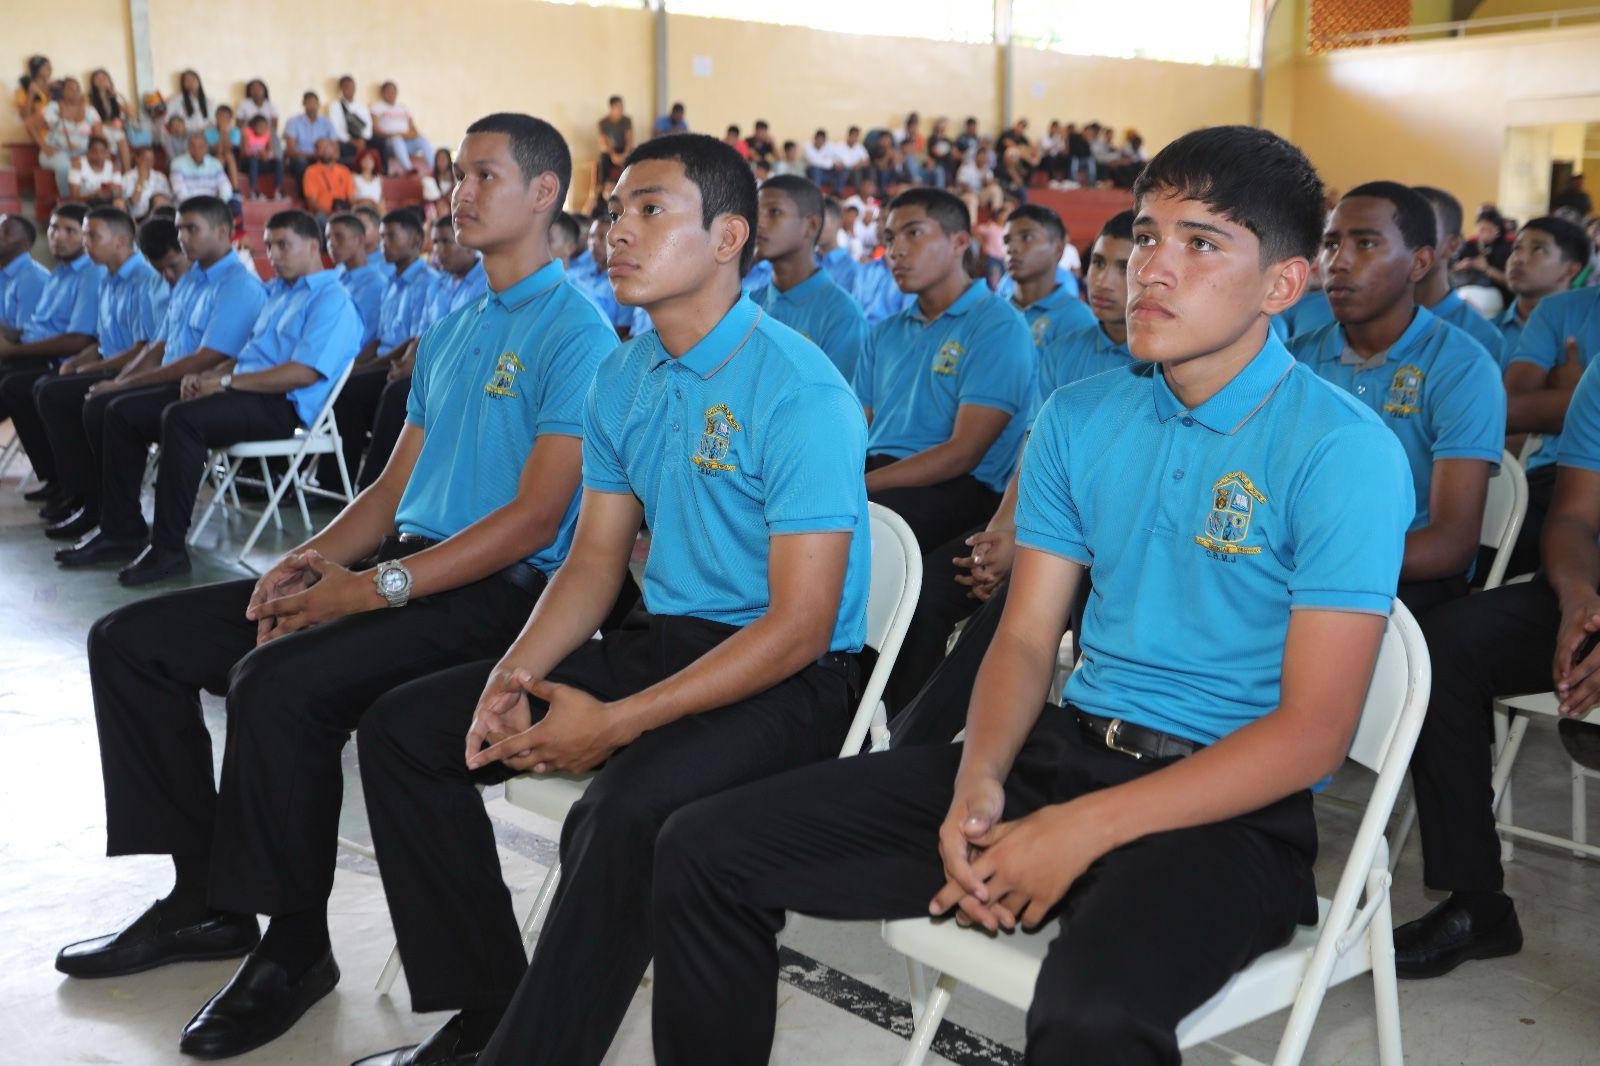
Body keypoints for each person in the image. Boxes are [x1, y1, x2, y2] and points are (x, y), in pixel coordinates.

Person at [648, 124, 1413, 1066]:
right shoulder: (1081, 416)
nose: (1152, 269)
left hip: (1227, 812)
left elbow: (1312, 732)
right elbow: (1022, 639)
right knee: (704, 848)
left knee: (1089, 1016)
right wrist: (981, 787)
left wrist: (1075, 832)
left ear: (1283, 286)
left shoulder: (1343, 451)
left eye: (1201, 242)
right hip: (1063, 754)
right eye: (1145, 234)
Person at [54, 113, 624, 1062]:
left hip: (499, 589)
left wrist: (367, 593)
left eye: (486, 175)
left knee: (279, 686)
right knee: (134, 645)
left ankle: (295, 947)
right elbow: (389, 490)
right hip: (406, 562)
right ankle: (207, 900)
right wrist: (309, 560)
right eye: (457, 176)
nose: (460, 193)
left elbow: (534, 521)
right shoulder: (453, 331)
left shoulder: (580, 335)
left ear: (543, 196)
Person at [347, 130, 869, 1066]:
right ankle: (481, 1001)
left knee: (623, 813)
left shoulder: (799, 388)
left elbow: (802, 626)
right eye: (613, 210)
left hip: (789, 673)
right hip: (665, 638)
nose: (615, 232)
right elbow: (592, 563)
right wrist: (516, 671)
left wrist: (619, 721)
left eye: (650, 209)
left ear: (727, 238)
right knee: (410, 732)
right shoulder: (625, 373)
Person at [883, 209, 1139, 729]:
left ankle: (918, 745)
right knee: (934, 587)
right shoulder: (1069, 351)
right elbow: (1035, 451)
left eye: (1124, 266)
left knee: (1029, 604)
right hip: (1041, 523)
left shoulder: (1168, 364)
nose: (1105, 281)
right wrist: (1003, 530)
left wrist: (1029, 545)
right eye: (1097, 265)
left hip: (1103, 542)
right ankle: (888, 728)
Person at [1394, 355, 1600, 981]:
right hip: (1589, 585)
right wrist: (1578, 603)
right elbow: (1572, 518)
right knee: (1446, 643)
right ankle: (1477, 903)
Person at [1292, 181, 1504, 622]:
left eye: (1365, 243)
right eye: (1330, 244)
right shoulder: (1293, 359)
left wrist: (1322, 561)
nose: (1339, 262)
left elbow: (1451, 542)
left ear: (1419, 263)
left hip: (1410, 578)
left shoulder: (1462, 367)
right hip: (1294, 563)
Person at [49, 197, 266, 558]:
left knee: (117, 410)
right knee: (103, 403)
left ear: (223, 232)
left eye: (191, 228)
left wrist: (128, 384)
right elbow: (158, 345)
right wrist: (121, 381)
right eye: (179, 228)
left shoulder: (237, 284)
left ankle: (135, 532)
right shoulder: (189, 280)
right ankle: (112, 520)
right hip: (178, 381)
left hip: (205, 386)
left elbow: (206, 357)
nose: (182, 237)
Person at [854, 187, 1035, 555]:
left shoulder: (996, 325)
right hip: (878, 474)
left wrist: (859, 485)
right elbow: (858, 427)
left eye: (914, 233)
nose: (896, 250)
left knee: (858, 538)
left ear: (959, 242)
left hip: (957, 487)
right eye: (889, 238)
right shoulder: (884, 332)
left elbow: (963, 453)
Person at [18, 208, 173, 540]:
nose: (85, 243)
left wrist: (100, 370)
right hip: (114, 363)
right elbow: (102, 341)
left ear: (120, 240)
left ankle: (93, 502)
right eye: (84, 235)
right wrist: (80, 362)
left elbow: (143, 347)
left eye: (92, 236)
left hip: (134, 367)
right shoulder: (108, 277)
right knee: (49, 386)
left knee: (63, 395)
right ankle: (78, 493)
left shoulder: (144, 279)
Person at [355, 212, 490, 492]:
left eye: (446, 242)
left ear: (470, 243)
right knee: (351, 390)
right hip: (425, 366)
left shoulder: (484, 284)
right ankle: (336, 482)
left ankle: (375, 490)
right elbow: (421, 335)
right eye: (436, 242)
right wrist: (407, 361)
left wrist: (414, 366)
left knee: (394, 396)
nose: (439, 250)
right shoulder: (439, 283)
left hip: (456, 373)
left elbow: (469, 342)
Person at [0, 205, 104, 505]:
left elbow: (79, 339)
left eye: (70, 230)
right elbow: (34, 327)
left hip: (60, 360)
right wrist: (11, 336)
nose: (58, 236)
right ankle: (55, 476)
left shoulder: (89, 274)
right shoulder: (60, 273)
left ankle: (70, 483)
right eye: (54, 229)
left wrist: (15, 348)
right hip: (37, 353)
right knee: (14, 382)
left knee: (19, 385)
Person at [327, 209, 436, 483]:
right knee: (342, 384)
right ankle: (336, 481)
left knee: (357, 390)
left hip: (406, 363)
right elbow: (378, 337)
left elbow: (413, 342)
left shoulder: (428, 283)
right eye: (383, 236)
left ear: (415, 241)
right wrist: (357, 365)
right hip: (385, 359)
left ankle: (368, 485)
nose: (382, 243)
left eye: (391, 237)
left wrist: (368, 368)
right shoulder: (390, 281)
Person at [1502, 277, 1600, 579]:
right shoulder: (1561, 309)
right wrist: (1582, 392)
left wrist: (1565, 395)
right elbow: (1510, 410)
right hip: (1553, 477)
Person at [747, 174, 867, 380]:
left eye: (774, 212)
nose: (760, 223)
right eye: (756, 214)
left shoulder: (842, 316)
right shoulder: (749, 304)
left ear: (810, 226)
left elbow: (836, 406)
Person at [1411, 185, 1512, 356]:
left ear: (1452, 245)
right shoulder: (1367, 318)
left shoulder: (1481, 338)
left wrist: (1486, 268)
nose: (1402, 242)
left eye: (1421, 231)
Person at [996, 203, 1094, 349]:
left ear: (1058, 249)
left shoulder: (1078, 320)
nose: (1011, 247)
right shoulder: (992, 313)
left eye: (1026, 237)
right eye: (1006, 240)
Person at [1496, 215, 1588, 368]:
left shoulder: (1588, 334)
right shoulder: (1486, 332)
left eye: (1538, 249)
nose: (1517, 258)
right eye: (1516, 248)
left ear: (1570, 269)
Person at [326, 212, 386, 347]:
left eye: (339, 237)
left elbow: (361, 337)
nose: (331, 244)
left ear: (359, 239)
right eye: (328, 238)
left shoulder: (375, 284)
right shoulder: (338, 272)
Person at [34, 76, 99, 197]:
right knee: (66, 167)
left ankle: (89, 199)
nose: (74, 92)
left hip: (83, 152)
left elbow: (99, 136)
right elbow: (30, 125)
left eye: (77, 89)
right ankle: (68, 200)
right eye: (70, 89)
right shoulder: (53, 107)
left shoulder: (89, 110)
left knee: (95, 163)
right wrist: (44, 147)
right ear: (62, 92)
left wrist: (88, 154)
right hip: (56, 152)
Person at [565, 212, 629, 333]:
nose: (594, 243)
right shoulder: (578, 275)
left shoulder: (622, 282)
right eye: (591, 236)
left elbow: (623, 329)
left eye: (601, 237)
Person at [0, 214, 50, 338]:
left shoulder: (34, 278)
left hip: (19, 353)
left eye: (6, 233)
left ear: (25, 245)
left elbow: (24, 338)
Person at [371, 82, 431, 175]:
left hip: (406, 140)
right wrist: (392, 134)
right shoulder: (377, 107)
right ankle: (409, 169)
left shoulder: (402, 107)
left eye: (393, 91)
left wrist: (403, 135)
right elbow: (374, 128)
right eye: (388, 91)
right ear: (382, 93)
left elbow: (414, 130)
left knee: (422, 140)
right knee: (396, 139)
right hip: (389, 141)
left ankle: (435, 169)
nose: (391, 94)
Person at [283, 91, 339, 186]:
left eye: (314, 103)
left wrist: (329, 155)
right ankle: (303, 196)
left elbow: (335, 148)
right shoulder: (293, 122)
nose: (311, 106)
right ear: (303, 104)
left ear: (318, 104)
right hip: (302, 156)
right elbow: (290, 150)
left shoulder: (326, 122)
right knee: (300, 163)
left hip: (322, 156)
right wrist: (312, 154)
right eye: (308, 102)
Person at [87, 68, 134, 170]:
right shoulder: (90, 98)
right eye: (98, 78)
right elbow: (90, 118)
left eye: (104, 77)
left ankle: (128, 172)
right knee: (104, 140)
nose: (101, 80)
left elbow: (130, 113)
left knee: (122, 141)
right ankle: (109, 171)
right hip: (100, 129)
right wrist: (107, 124)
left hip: (115, 129)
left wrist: (119, 95)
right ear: (93, 82)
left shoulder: (113, 97)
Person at [170, 132, 234, 204]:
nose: (197, 150)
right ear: (188, 147)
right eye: (193, 146)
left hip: (212, 204)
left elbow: (225, 186)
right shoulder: (177, 163)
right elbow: (179, 191)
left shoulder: (215, 164)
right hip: (188, 206)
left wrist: (220, 202)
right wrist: (197, 205)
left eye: (201, 146)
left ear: (206, 148)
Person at [301, 138, 355, 220]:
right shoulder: (310, 172)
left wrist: (354, 210)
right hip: (323, 215)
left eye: (327, 147)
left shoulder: (344, 170)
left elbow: (351, 199)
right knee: (320, 218)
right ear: (316, 152)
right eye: (321, 148)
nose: (325, 151)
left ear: (333, 150)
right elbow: (312, 204)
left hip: (343, 214)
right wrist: (331, 214)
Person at [327, 75, 373, 163]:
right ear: (341, 89)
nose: (351, 90)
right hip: (346, 139)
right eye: (347, 87)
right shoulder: (335, 106)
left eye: (353, 87)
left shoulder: (361, 106)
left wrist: (362, 139)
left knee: (380, 143)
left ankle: (382, 171)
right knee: (342, 148)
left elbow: (368, 125)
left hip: (362, 138)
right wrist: (351, 141)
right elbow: (335, 129)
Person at [816, 197, 858, 292]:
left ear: (838, 223)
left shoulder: (851, 268)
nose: (816, 228)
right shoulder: (806, 261)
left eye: (822, 222)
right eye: (813, 222)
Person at [121, 145, 174, 220]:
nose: (149, 163)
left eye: (151, 159)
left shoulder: (160, 177)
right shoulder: (127, 177)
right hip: (136, 218)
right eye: (145, 159)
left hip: (157, 217)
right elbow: (133, 201)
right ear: (137, 158)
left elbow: (167, 202)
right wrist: (140, 180)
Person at [68, 135, 123, 207]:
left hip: (106, 202)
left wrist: (113, 189)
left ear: (107, 152)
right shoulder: (78, 166)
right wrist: (94, 195)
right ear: (88, 151)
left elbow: (119, 193)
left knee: (119, 202)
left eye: (102, 151)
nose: (99, 155)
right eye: (95, 151)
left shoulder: (113, 168)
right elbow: (74, 197)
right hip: (84, 204)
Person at [239, 113, 282, 199]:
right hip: (247, 163)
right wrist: (258, 153)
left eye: (264, 126)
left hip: (261, 163)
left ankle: (277, 190)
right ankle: (253, 191)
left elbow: (271, 151)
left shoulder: (267, 133)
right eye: (260, 126)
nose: (262, 129)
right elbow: (245, 152)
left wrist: (267, 155)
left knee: (278, 162)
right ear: (253, 126)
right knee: (253, 160)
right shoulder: (246, 132)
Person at [597, 95, 633, 185]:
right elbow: (603, 142)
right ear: (612, 108)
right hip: (610, 151)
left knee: (634, 155)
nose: (621, 109)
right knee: (603, 158)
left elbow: (629, 140)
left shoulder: (626, 120)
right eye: (619, 107)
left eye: (622, 106)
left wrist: (624, 154)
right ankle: (602, 189)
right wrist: (613, 156)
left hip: (624, 149)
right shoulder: (603, 122)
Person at [205, 104, 242, 189]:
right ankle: (215, 187)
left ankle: (235, 188)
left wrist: (224, 133)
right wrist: (221, 133)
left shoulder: (235, 131)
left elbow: (229, 149)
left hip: (233, 157)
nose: (222, 119)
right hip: (215, 155)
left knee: (228, 155)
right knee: (220, 158)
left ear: (230, 119)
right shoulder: (208, 131)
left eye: (226, 117)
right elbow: (217, 151)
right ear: (216, 116)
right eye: (220, 115)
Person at [14, 54, 52, 136]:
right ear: (36, 70)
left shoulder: (55, 87)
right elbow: (25, 116)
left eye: (50, 66)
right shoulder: (23, 89)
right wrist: (30, 95)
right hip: (41, 133)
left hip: (59, 131)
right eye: (46, 66)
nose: (50, 69)